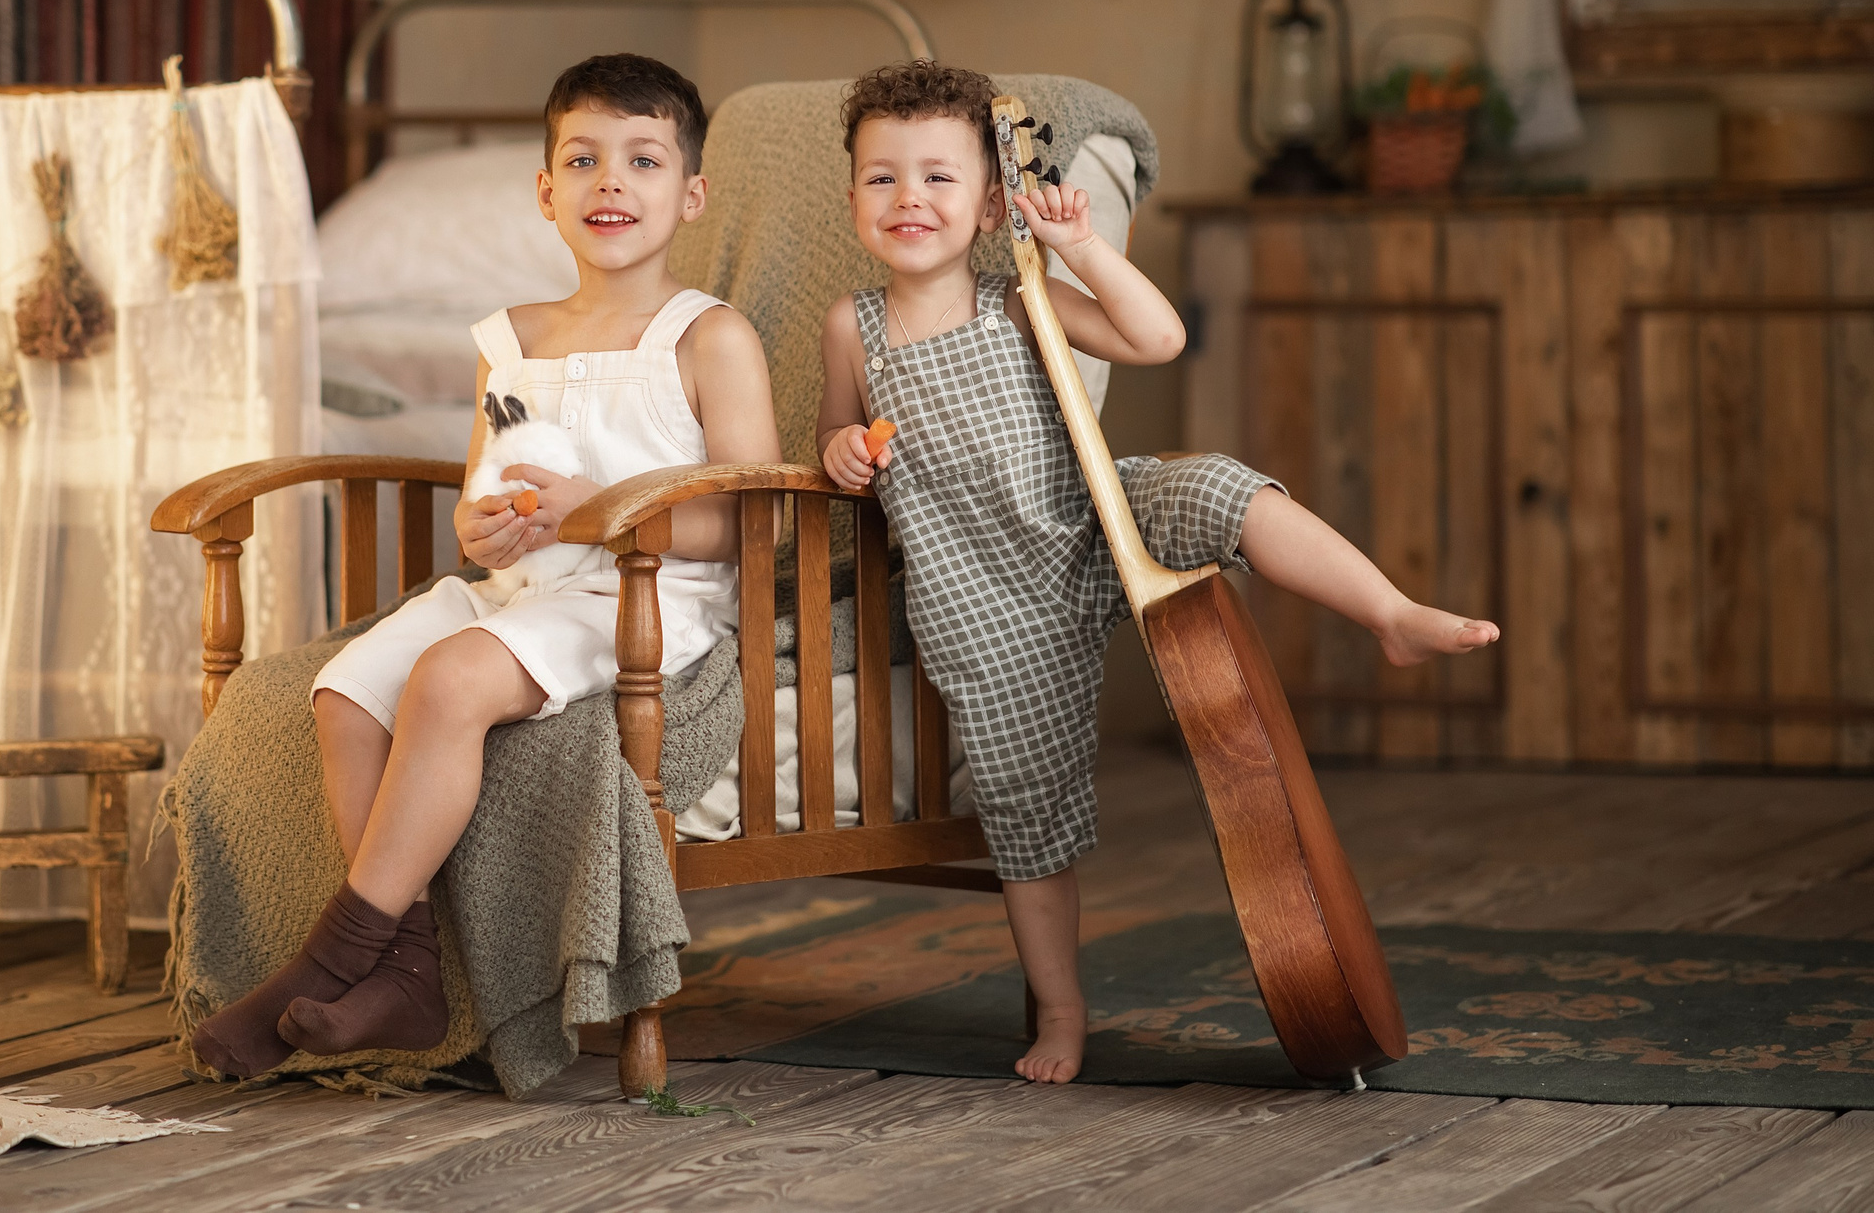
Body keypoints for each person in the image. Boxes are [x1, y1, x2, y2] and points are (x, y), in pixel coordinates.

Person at [814, 61, 1498, 1085]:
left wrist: (1076, 245)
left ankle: (1389, 611)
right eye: (881, 178)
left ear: (993, 201)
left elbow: (1158, 336)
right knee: (1023, 800)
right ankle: (1061, 1007)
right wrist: (842, 454)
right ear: (853, 194)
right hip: (987, 593)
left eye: (938, 178)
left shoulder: (1021, 299)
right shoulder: (850, 325)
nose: (909, 199)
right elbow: (834, 433)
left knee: (1216, 485)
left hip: (1091, 513)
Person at [192, 53, 781, 1079]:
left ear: (689, 194)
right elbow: (486, 493)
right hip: (521, 587)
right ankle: (407, 968)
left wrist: (591, 519)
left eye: (642, 159)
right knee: (345, 690)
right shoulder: (507, 338)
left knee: (451, 675)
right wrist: (487, 529)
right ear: (545, 190)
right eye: (583, 158)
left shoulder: (709, 336)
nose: (611, 181)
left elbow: (745, 517)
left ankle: (324, 965)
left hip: (646, 595)